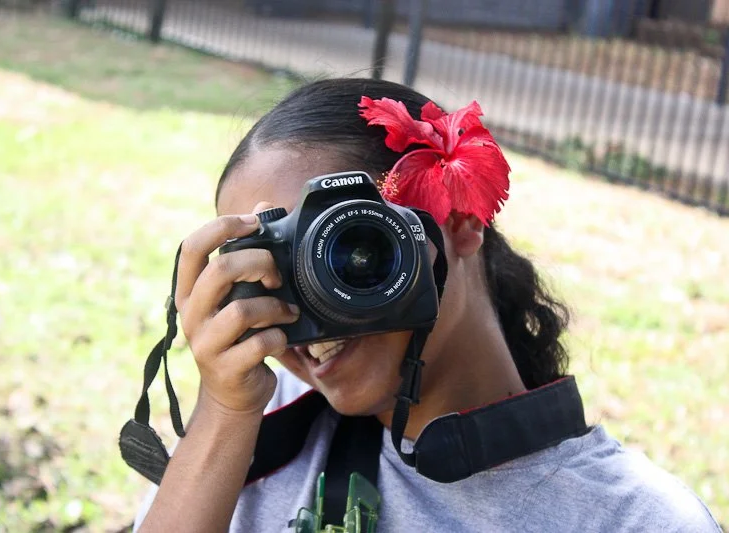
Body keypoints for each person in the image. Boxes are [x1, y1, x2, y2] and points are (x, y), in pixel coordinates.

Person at [131, 78, 720, 532]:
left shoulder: (631, 520)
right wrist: (224, 411)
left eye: (345, 248)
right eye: (275, 266)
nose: (310, 302)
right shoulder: (254, 433)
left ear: (460, 219)